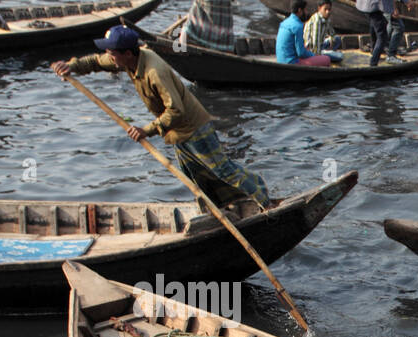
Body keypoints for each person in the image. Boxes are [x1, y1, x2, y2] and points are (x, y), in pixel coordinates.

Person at [52, 27, 270, 210]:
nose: (109, 56)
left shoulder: (154, 72)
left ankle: (263, 199)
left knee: (223, 170)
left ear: (127, 53)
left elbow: (176, 110)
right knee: (195, 178)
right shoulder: (128, 60)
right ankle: (218, 212)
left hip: (194, 128)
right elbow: (96, 62)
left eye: (112, 53)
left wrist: (148, 129)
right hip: (176, 132)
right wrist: (71, 66)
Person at [277, 0, 333, 66]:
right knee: (326, 59)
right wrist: (313, 55)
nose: (307, 12)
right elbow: (301, 53)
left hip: (280, 60)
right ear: (300, 10)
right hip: (292, 62)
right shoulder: (298, 26)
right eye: (305, 10)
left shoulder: (284, 22)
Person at [356, 0, 393, 65]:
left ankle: (373, 51)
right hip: (373, 6)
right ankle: (373, 63)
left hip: (365, 5)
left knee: (373, 26)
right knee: (382, 36)